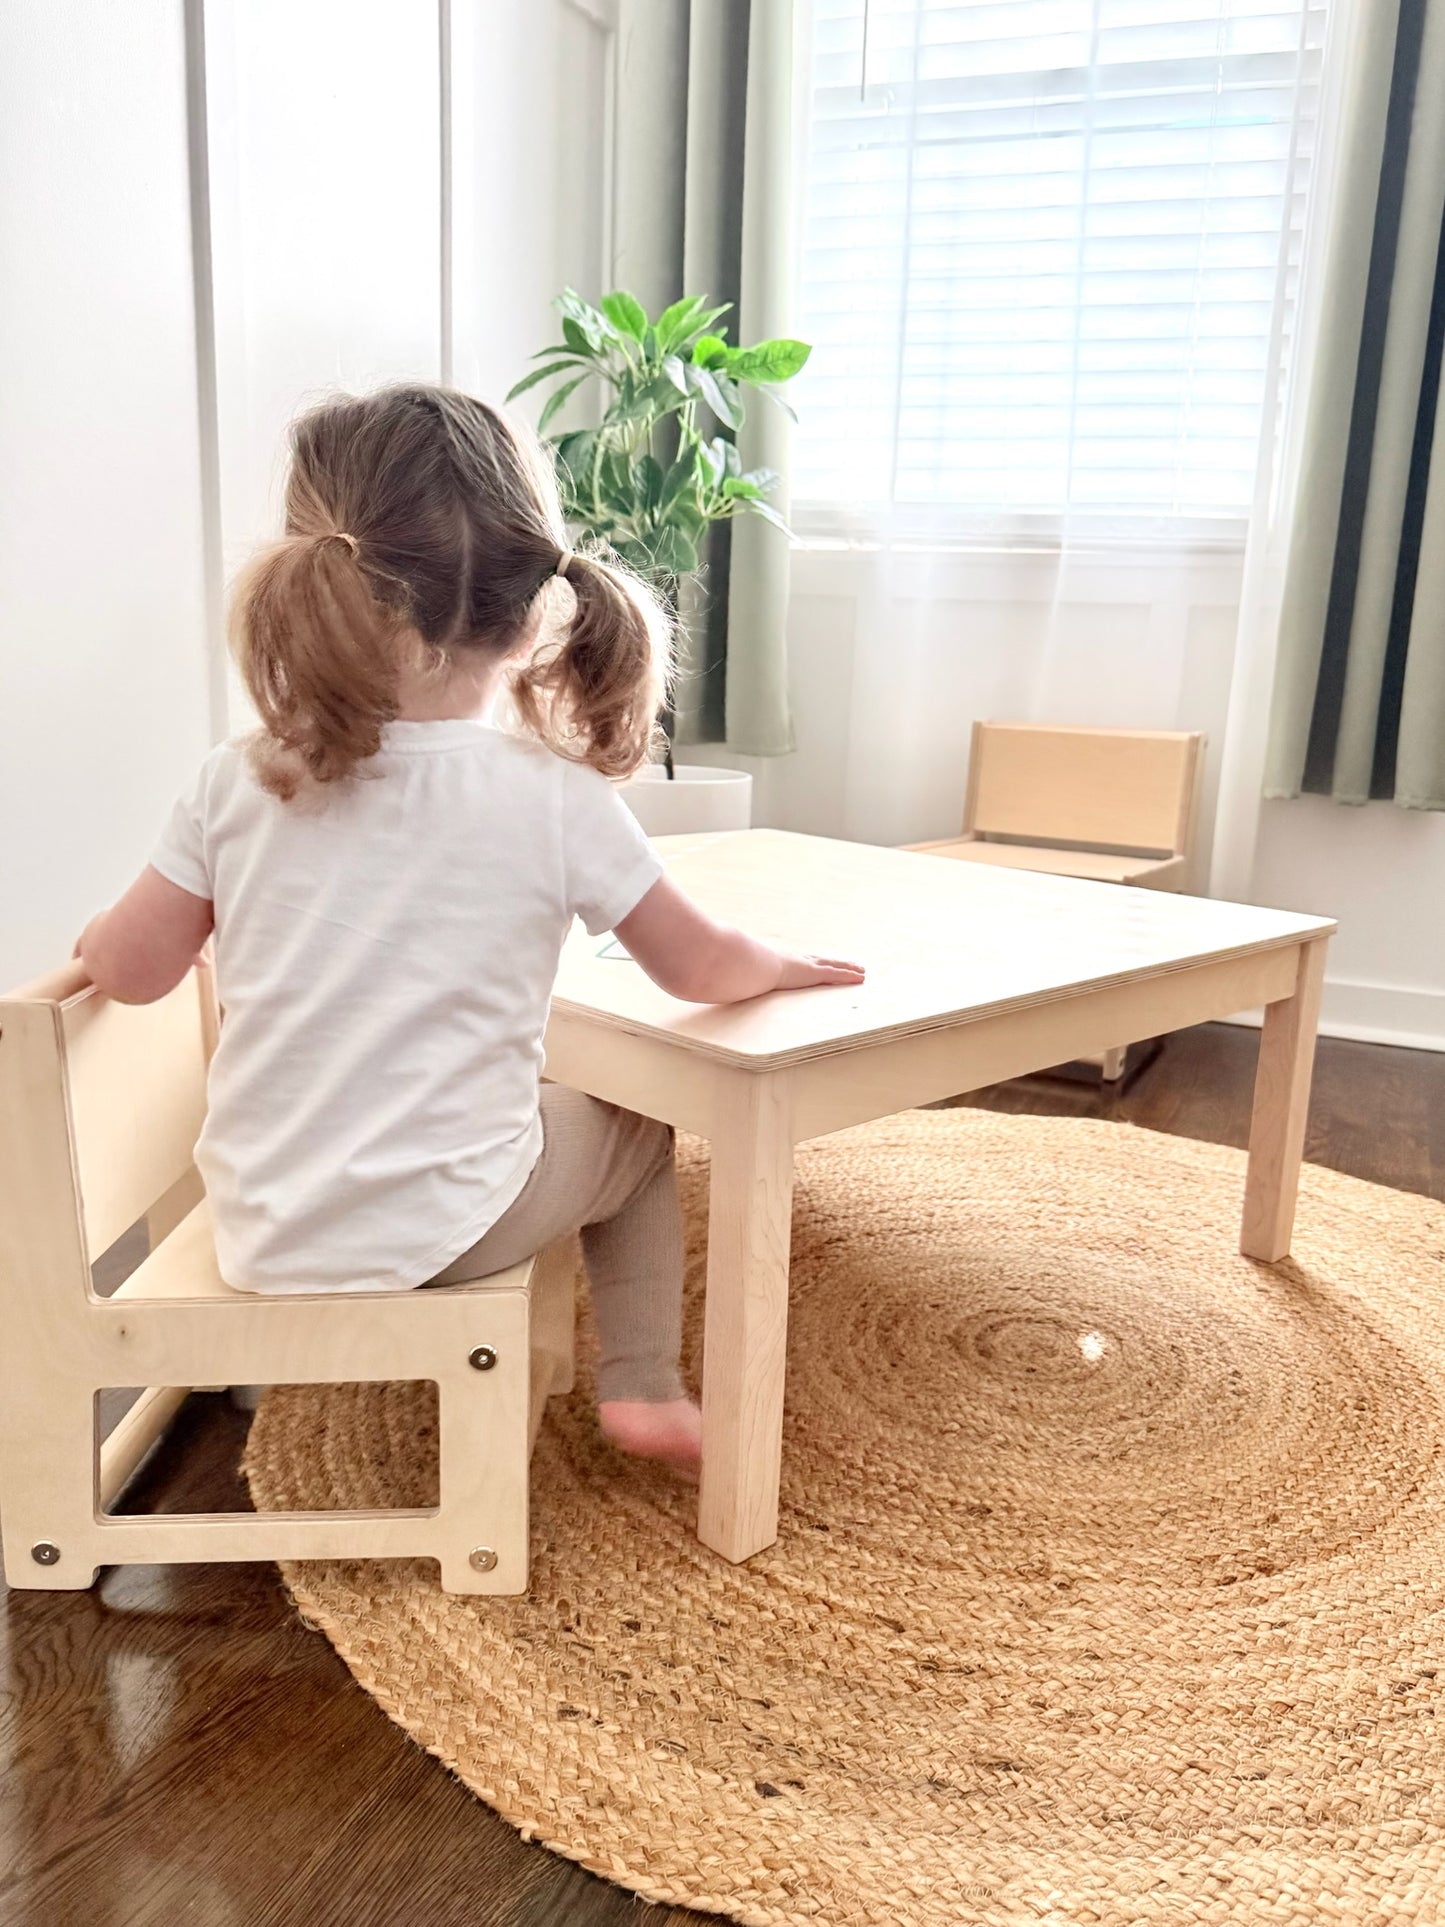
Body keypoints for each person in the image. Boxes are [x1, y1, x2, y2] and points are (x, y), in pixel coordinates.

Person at [77, 385, 864, 1476]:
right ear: (535, 600)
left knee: (539, 1106)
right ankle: (640, 1382)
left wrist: (109, 930)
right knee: (638, 1124)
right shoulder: (552, 794)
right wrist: (779, 962)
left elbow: (127, 969)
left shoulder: (242, 776)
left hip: (264, 1226)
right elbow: (698, 965)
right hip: (442, 1231)